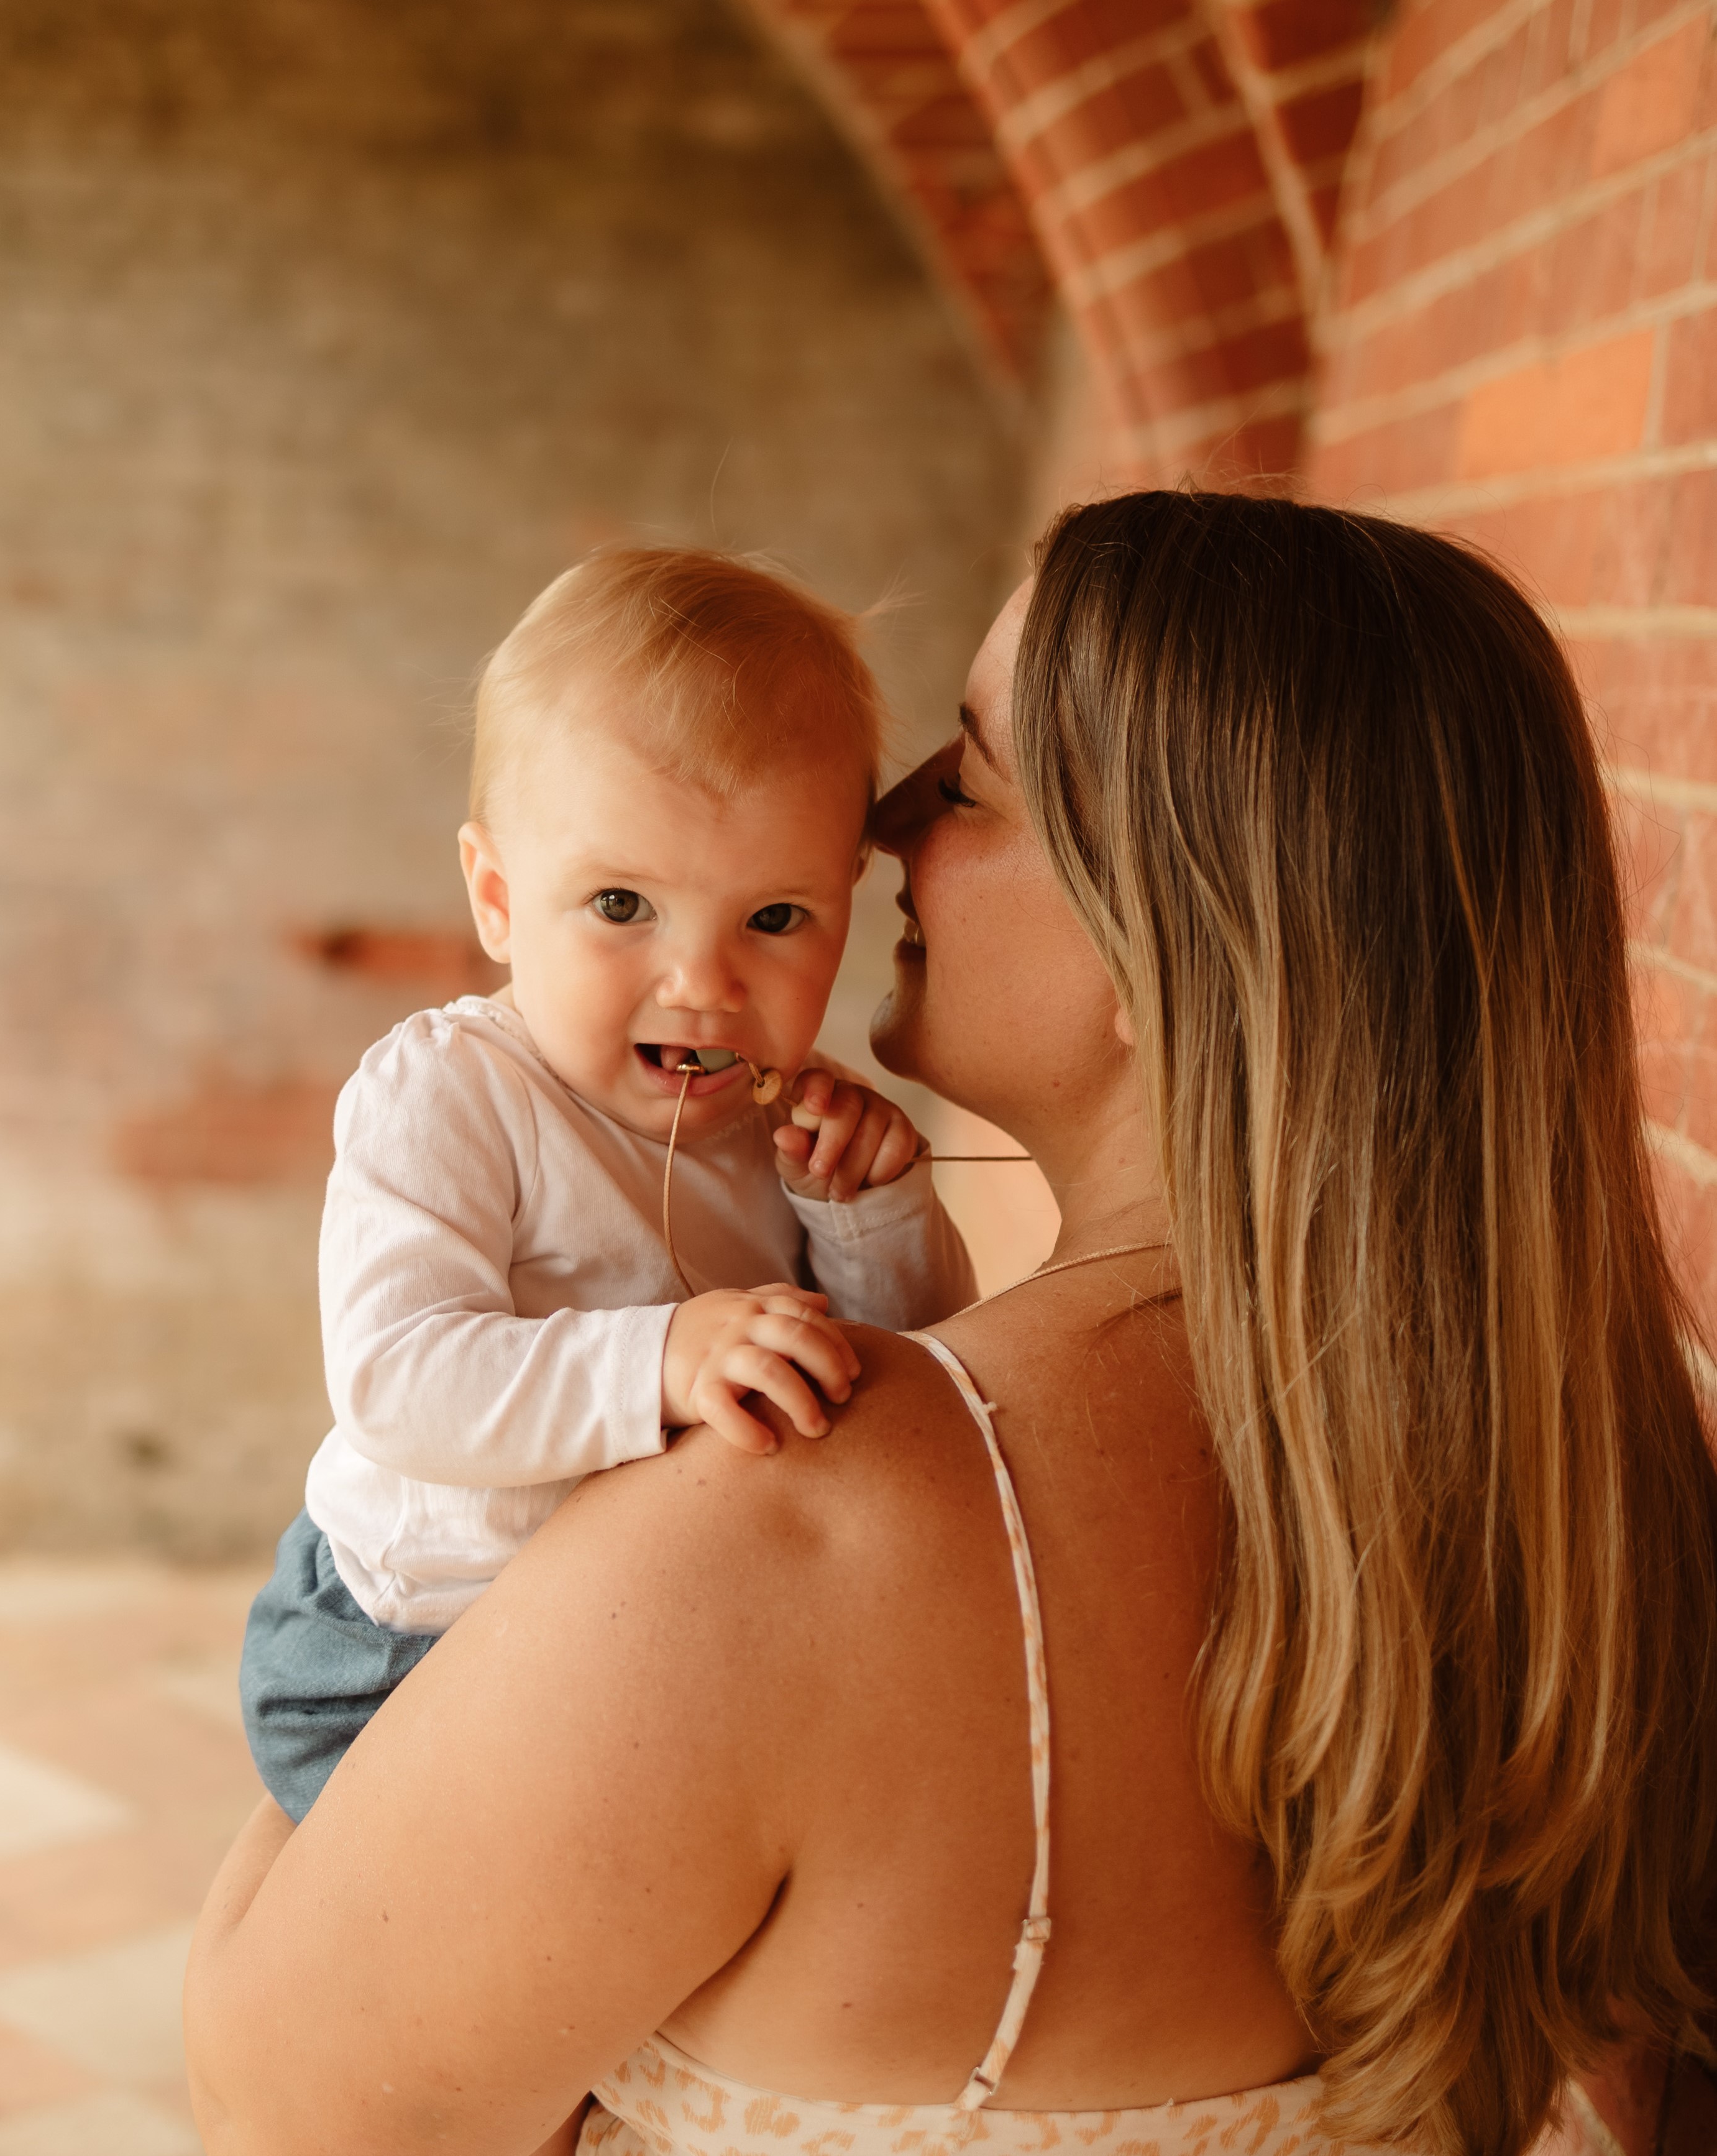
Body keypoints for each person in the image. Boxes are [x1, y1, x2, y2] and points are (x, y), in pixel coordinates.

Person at [186, 493, 1717, 2156]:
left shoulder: (790, 1519)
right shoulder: (1615, 1503)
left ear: (1158, 944)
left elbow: (285, 2103)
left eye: (972, 771)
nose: (884, 820)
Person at [237, 545, 974, 1825]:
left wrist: (871, 1212)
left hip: (639, 1635)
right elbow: (397, 1380)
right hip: (411, 1646)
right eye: (622, 902)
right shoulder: (455, 1092)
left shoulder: (770, 1113)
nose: (704, 982)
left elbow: (899, 1366)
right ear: (499, 899)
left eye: (776, 919)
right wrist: (664, 1358)